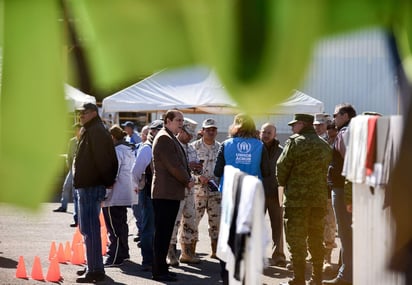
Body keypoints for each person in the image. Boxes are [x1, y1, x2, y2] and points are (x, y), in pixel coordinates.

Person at [214, 113, 271, 284]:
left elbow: (217, 171)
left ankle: (226, 277)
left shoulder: (226, 144)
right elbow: (267, 172)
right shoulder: (260, 146)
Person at [276, 114, 332, 285]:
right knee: (316, 238)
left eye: (295, 125)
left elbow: (281, 167)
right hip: (318, 200)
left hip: (296, 201)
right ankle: (317, 279)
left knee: (296, 239)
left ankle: (298, 279)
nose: (292, 128)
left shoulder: (294, 142)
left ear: (302, 124)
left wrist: (284, 184)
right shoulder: (324, 145)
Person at [72, 103, 118, 283]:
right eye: (79, 113)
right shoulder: (93, 129)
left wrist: (106, 182)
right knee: (87, 229)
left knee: (90, 229)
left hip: (91, 186)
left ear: (93, 113)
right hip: (89, 185)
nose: (80, 116)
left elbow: (105, 160)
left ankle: (95, 270)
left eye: (83, 113)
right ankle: (94, 266)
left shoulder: (96, 131)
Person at [151, 110, 194, 282]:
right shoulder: (164, 137)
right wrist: (187, 180)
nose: (181, 123)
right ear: (167, 121)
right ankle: (159, 270)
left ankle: (162, 268)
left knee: (165, 233)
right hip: (165, 194)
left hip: (169, 193)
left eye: (182, 120)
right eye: (178, 120)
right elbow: (174, 166)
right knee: (162, 234)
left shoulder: (169, 136)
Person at [323, 104, 357, 285]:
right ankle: (346, 273)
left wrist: (349, 195)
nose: (333, 119)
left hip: (342, 189)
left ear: (345, 116)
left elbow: (349, 163)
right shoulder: (350, 131)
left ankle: (346, 276)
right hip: (345, 188)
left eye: (335, 115)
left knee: (345, 233)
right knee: (347, 233)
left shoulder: (345, 133)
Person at [168, 118, 202, 265]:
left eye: (192, 135)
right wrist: (189, 165)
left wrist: (196, 169)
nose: (190, 137)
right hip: (176, 190)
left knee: (190, 221)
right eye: (188, 134)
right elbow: (172, 166)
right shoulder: (172, 145)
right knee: (173, 222)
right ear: (181, 130)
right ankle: (170, 254)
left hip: (189, 190)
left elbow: (193, 169)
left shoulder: (191, 148)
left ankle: (187, 253)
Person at [131, 119, 164, 272]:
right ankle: (147, 260)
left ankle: (155, 260)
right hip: (149, 192)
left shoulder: (159, 145)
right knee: (148, 228)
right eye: (159, 129)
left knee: (156, 228)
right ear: (153, 131)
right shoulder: (147, 148)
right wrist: (138, 186)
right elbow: (136, 171)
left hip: (159, 192)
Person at [101, 125, 136, 267]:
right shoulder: (129, 149)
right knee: (121, 225)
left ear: (112, 137)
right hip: (125, 193)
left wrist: (105, 194)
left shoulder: (115, 151)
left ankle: (114, 257)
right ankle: (123, 253)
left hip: (114, 195)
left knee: (114, 228)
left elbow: (111, 175)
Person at [191, 118, 222, 259]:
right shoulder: (193, 147)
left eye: (213, 129)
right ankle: (190, 251)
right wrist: (198, 178)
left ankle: (215, 251)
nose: (211, 132)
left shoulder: (221, 147)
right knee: (192, 222)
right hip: (197, 192)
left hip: (215, 193)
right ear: (202, 131)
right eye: (208, 129)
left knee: (216, 223)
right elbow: (186, 168)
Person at [259, 122, 287, 267]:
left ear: (275, 134)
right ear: (260, 133)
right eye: (264, 132)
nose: (266, 135)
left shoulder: (282, 150)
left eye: (269, 132)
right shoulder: (256, 149)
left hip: (277, 193)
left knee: (278, 226)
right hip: (259, 194)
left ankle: (279, 255)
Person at [53, 123, 81, 227]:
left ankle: (77, 217)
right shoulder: (72, 141)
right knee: (66, 186)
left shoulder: (83, 140)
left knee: (76, 194)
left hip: (80, 170)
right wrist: (69, 166)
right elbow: (69, 155)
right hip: (72, 168)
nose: (76, 132)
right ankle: (63, 206)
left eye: (77, 130)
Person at [131, 123, 150, 243]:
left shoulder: (151, 148)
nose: (147, 135)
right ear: (141, 135)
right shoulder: (135, 147)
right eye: (145, 133)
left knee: (146, 212)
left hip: (146, 185)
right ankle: (140, 230)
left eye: (149, 133)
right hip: (135, 183)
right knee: (136, 210)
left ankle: (145, 235)